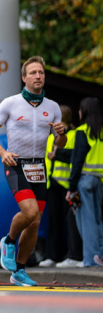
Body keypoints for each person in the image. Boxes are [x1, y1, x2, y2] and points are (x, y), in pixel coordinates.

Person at [0, 55, 65, 287]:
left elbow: (60, 144)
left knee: (35, 222)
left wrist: (61, 134)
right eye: (33, 73)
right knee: (29, 212)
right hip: (16, 164)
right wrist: (2, 153)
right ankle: (8, 242)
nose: (38, 76)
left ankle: (19, 271)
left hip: (39, 166)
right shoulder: (11, 103)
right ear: (24, 77)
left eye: (41, 72)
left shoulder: (53, 107)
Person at [41, 105, 83, 268]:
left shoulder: (73, 135)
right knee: (53, 221)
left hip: (68, 184)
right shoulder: (50, 137)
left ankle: (70, 255)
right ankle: (52, 255)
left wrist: (56, 155)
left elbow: (75, 156)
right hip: (52, 183)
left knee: (70, 222)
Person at [66, 97, 103, 268]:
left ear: (85, 111)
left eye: (80, 109)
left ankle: (90, 259)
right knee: (97, 220)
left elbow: (77, 160)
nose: (79, 112)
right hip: (99, 180)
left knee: (86, 221)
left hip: (85, 180)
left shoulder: (82, 131)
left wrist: (71, 187)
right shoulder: (101, 132)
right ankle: (100, 256)